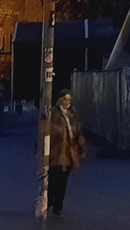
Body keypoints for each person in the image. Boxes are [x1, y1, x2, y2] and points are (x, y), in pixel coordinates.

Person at [48, 89, 87, 217]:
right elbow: (48, 132)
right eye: (65, 99)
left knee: (63, 180)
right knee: (54, 179)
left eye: (70, 99)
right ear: (59, 100)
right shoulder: (53, 114)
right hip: (57, 152)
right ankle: (49, 202)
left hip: (69, 153)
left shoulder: (72, 114)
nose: (68, 102)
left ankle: (58, 205)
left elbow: (78, 133)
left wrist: (82, 148)